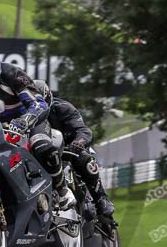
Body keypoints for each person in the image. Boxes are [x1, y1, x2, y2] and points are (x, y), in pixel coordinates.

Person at [0, 42, 76, 208]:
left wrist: (25, 120)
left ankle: (62, 190)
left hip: (27, 123)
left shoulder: (11, 75)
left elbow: (38, 103)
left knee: (42, 145)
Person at [33, 80, 115, 217]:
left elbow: (83, 130)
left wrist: (78, 143)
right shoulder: (24, 113)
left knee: (85, 160)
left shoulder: (62, 107)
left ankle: (101, 198)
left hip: (70, 148)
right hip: (44, 152)